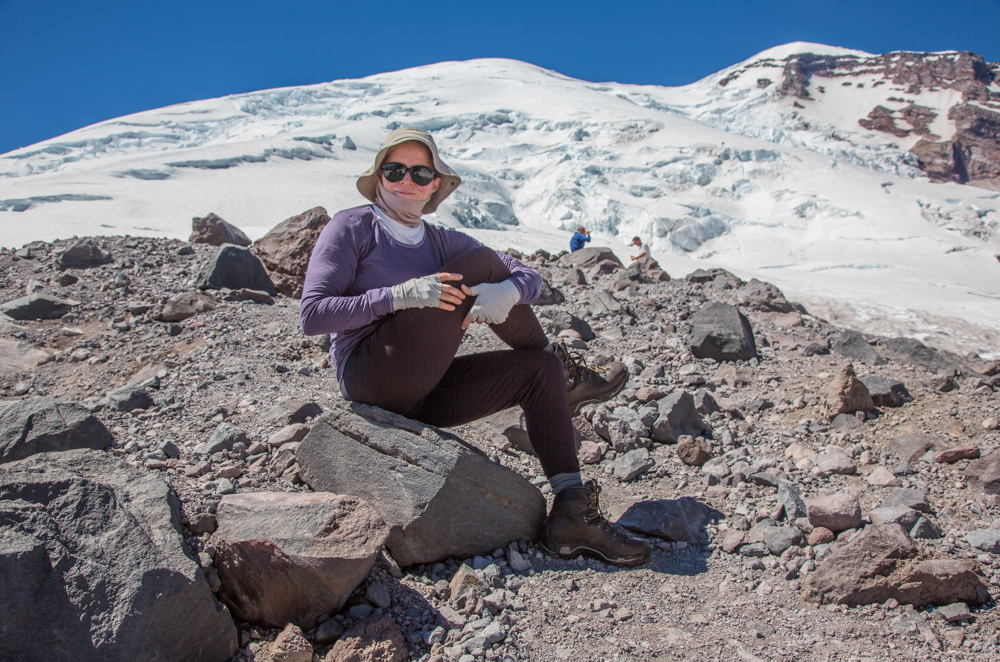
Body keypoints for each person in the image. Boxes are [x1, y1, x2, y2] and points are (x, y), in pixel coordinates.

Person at [300, 128, 650, 566]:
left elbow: (527, 276)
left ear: (434, 185)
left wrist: (511, 292)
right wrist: (398, 296)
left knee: (538, 371)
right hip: (372, 378)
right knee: (483, 265)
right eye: (394, 170)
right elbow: (313, 315)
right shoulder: (353, 226)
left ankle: (571, 513)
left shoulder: (442, 240)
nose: (406, 179)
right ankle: (569, 377)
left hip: (426, 391)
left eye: (420, 172)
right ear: (379, 178)